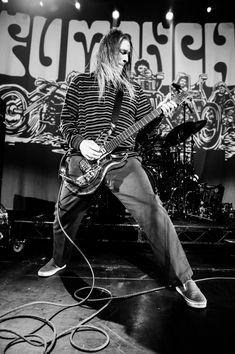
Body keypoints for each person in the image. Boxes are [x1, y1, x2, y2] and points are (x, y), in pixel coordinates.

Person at [38, 28, 207, 309]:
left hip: (122, 160)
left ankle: (184, 278)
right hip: (85, 161)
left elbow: (145, 134)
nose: (127, 58)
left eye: (130, 53)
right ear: (107, 49)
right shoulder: (80, 83)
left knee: (153, 210)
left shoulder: (134, 91)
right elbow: (66, 124)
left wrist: (160, 114)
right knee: (63, 215)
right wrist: (81, 144)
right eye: (123, 51)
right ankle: (60, 258)